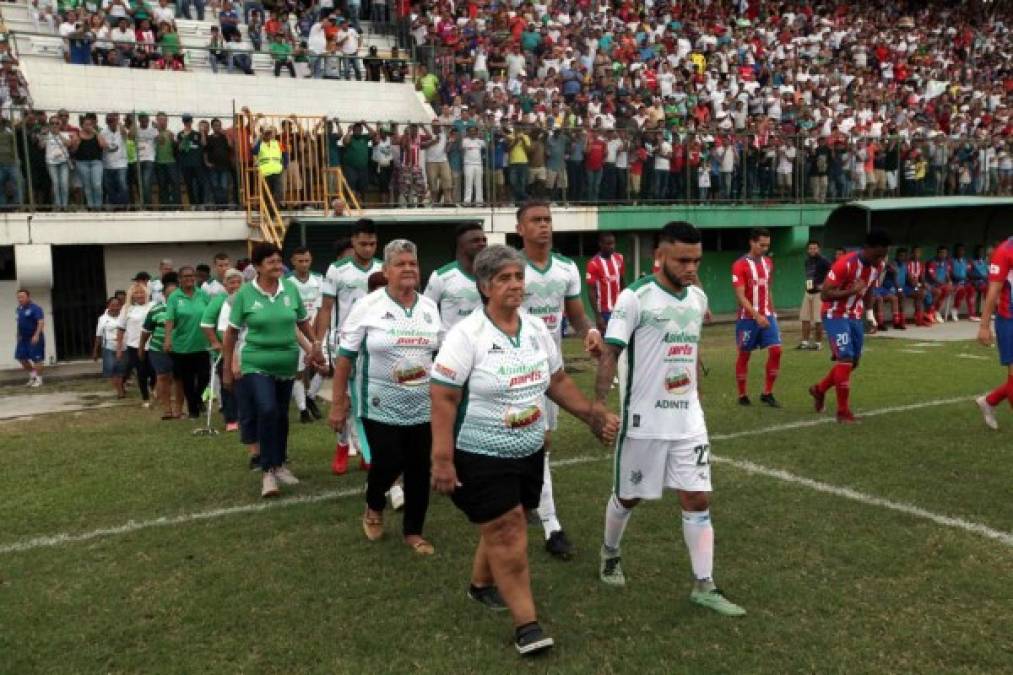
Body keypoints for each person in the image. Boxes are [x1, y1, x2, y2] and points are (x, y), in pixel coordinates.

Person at [430, 244, 618, 655]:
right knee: (509, 527)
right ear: (484, 286)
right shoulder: (466, 335)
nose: (515, 285)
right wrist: (441, 458)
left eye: (518, 277)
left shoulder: (535, 330)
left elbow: (557, 381)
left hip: (529, 450)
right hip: (477, 451)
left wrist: (590, 414)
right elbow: (443, 397)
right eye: (504, 279)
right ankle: (527, 625)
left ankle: (480, 586)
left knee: (504, 521)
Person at [594, 221, 746, 618]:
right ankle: (610, 552)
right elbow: (609, 353)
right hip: (643, 420)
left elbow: (691, 348)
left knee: (697, 497)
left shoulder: (697, 298)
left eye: (696, 260)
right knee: (630, 496)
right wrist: (599, 406)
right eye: (683, 260)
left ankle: (704, 584)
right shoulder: (635, 298)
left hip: (687, 420)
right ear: (661, 255)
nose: (691, 267)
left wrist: (696, 391)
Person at [329, 239, 440, 554]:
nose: (408, 269)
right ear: (386, 270)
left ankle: (414, 532)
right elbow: (345, 357)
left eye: (413, 264)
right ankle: (374, 503)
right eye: (401, 264)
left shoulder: (430, 308)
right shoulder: (368, 306)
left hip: (422, 405)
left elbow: (441, 354)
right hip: (378, 404)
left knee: (419, 468)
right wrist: (339, 403)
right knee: (389, 459)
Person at [516, 200, 603, 559]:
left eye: (547, 220)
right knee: (522, 443)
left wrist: (590, 331)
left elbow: (576, 313)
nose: (544, 226)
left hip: (549, 371)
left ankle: (545, 517)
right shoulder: (510, 267)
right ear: (520, 228)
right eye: (535, 220)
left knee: (542, 443)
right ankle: (546, 519)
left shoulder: (566, 268)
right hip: (512, 369)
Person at [224, 243, 322, 497]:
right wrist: (228, 366)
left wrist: (315, 346)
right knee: (266, 409)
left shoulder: (290, 289)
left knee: (279, 415)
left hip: (286, 361)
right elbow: (231, 333)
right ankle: (267, 471)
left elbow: (302, 321)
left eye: (279, 261)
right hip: (255, 361)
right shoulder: (245, 294)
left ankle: (279, 464)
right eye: (271, 262)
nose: (277, 266)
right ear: (257, 267)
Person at [316, 220, 382, 474]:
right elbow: (326, 308)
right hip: (345, 343)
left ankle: (367, 449)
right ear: (353, 241)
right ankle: (343, 445)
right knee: (344, 400)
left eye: (373, 244)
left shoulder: (382, 268)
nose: (368, 248)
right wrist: (317, 343)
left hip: (376, 344)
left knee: (369, 399)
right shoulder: (337, 269)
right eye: (363, 243)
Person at [808, 230, 892, 423]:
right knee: (845, 359)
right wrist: (850, 291)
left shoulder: (877, 265)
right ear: (868, 248)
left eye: (884, 255)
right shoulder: (845, 264)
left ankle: (819, 390)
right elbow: (825, 295)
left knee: (852, 362)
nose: (881, 258)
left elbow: (870, 288)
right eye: (878, 254)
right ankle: (843, 412)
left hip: (854, 316)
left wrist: (869, 314)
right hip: (835, 314)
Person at [731, 228, 782, 407]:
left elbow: (768, 289)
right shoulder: (739, 265)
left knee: (776, 350)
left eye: (767, 245)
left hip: (767, 315)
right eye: (761, 245)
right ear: (752, 242)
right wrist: (756, 315)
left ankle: (767, 392)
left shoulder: (768, 262)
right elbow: (740, 295)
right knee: (744, 355)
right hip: (747, 318)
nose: (765, 249)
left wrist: (772, 312)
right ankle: (742, 394)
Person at [974, 237, 1013, 430]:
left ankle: (989, 401)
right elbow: (994, 290)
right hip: (1010, 320)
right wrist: (984, 325)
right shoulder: (1005, 251)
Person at [163, 265, 210, 419]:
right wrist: (168, 339)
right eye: (186, 276)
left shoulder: (203, 294)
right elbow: (169, 319)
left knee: (204, 376)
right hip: (182, 346)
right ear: (179, 279)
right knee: (187, 380)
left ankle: (196, 399)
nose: (189, 278)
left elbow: (211, 314)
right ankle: (193, 411)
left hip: (202, 343)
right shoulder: (174, 297)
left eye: (192, 276)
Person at [200, 268, 244, 431]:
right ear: (225, 284)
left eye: (238, 282)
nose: (235, 285)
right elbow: (205, 323)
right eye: (231, 282)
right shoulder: (220, 300)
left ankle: (243, 415)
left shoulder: (244, 298)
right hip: (226, 349)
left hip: (244, 348)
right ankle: (231, 418)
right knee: (228, 384)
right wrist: (215, 342)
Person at [423, 222, 487, 334]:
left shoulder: (492, 274)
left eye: (484, 240)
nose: (482, 243)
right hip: (451, 347)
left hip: (484, 346)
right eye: (475, 241)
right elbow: (424, 310)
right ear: (461, 246)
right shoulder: (441, 276)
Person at [287, 247, 325, 423]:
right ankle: (303, 410)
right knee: (299, 373)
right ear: (293, 261)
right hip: (295, 333)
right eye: (300, 261)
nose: (304, 264)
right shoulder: (286, 282)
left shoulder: (319, 279)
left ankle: (311, 397)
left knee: (325, 367)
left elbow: (322, 308)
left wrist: (317, 334)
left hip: (316, 331)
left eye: (307, 260)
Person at [141, 272, 183, 419]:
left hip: (180, 349)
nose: (172, 297)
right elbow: (145, 332)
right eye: (169, 294)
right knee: (163, 377)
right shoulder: (156, 310)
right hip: (158, 349)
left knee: (179, 379)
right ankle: (167, 409)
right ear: (164, 296)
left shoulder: (183, 309)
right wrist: (141, 349)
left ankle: (179, 409)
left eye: (175, 294)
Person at [116, 282, 155, 407]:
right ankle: (145, 398)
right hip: (134, 345)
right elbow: (121, 329)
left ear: (147, 293)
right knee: (141, 372)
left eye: (142, 292)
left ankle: (154, 390)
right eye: (136, 293)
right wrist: (119, 348)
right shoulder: (127, 308)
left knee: (153, 371)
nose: (139, 295)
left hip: (153, 344)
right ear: (132, 295)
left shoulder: (153, 306)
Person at [585, 232, 626, 333]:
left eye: (613, 243)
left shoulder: (619, 258)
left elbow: (622, 282)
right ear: (601, 244)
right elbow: (591, 292)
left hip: (619, 309)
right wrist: (598, 316)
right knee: (605, 343)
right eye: (608, 244)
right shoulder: (593, 264)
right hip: (604, 312)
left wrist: (626, 303)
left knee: (620, 341)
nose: (611, 246)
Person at [798, 240, 831, 350]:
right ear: (808, 250)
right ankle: (804, 343)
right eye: (810, 248)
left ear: (819, 249)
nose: (812, 250)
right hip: (808, 293)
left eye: (815, 248)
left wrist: (824, 286)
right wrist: (808, 286)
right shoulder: (807, 261)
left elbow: (832, 273)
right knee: (805, 318)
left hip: (819, 294)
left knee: (818, 320)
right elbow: (809, 276)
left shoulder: (824, 261)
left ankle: (818, 344)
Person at [94, 297, 127, 398]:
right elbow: (98, 335)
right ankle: (120, 391)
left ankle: (121, 388)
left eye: (117, 305)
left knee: (121, 369)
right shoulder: (102, 319)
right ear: (108, 306)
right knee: (112, 369)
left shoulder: (124, 317)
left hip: (123, 346)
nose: (115, 307)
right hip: (109, 346)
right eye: (112, 305)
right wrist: (95, 350)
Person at [15, 289, 45, 387]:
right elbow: (19, 322)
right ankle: (33, 376)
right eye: (18, 297)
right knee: (21, 358)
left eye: (22, 297)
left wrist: (36, 335)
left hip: (34, 337)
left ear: (28, 297)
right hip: (23, 338)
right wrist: (18, 334)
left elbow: (40, 322)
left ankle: (39, 380)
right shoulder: (19, 308)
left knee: (37, 359)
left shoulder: (35, 308)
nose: (20, 299)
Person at [253, 127, 284, 208]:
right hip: (265, 172)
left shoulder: (278, 143)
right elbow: (254, 151)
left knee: (279, 192)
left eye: (270, 133)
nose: (269, 135)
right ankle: (270, 210)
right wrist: (260, 138)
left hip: (277, 171)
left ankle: (274, 208)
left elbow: (285, 154)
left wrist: (284, 166)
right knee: (266, 194)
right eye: (267, 133)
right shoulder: (260, 144)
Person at [926, 245, 954, 324]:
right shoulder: (932, 262)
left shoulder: (946, 263)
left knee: (948, 289)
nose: (943, 254)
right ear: (937, 253)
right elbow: (932, 276)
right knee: (938, 291)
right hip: (931, 285)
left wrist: (949, 281)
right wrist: (942, 283)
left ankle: (936, 311)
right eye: (941, 253)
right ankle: (931, 312)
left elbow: (947, 274)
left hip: (941, 285)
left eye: (945, 253)